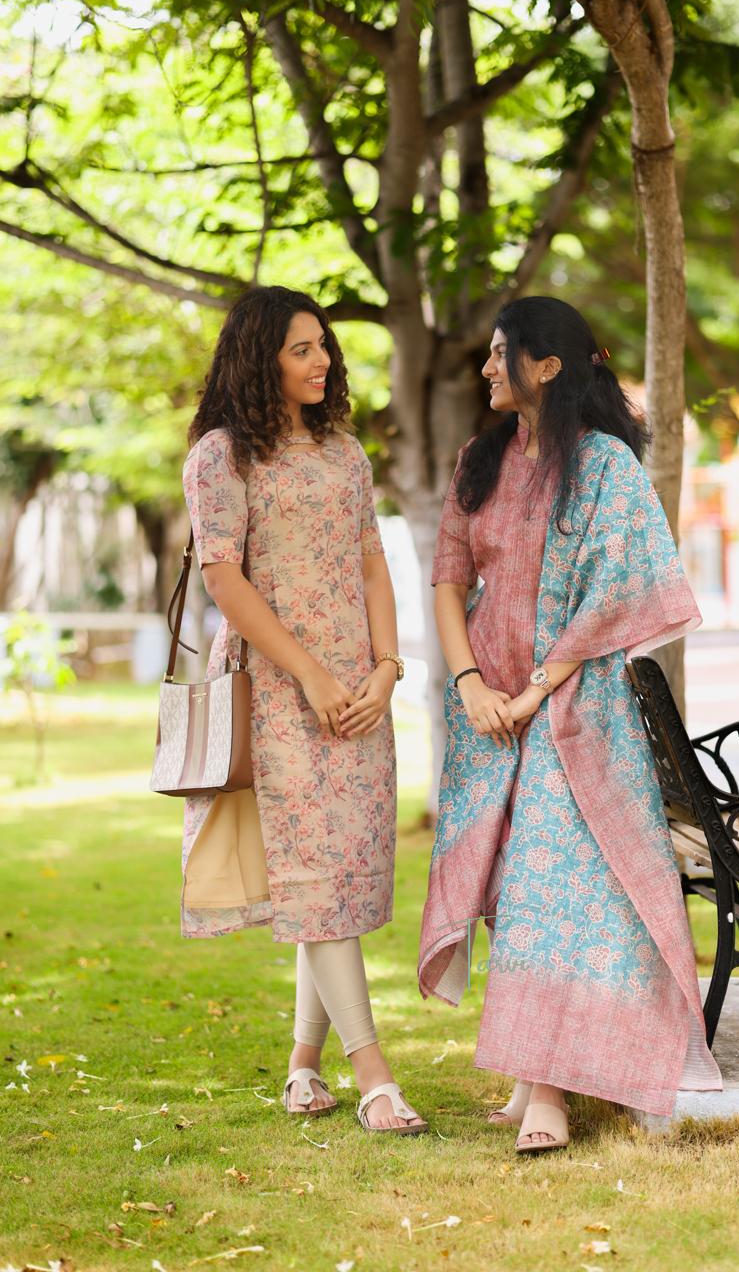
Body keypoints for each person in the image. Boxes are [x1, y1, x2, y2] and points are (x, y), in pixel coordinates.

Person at [419, 295, 722, 1153]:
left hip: (575, 716)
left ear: (549, 365)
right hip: (487, 713)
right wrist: (475, 683)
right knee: (514, 887)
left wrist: (532, 692)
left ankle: (547, 1092)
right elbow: (448, 581)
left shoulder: (605, 469)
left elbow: (614, 600)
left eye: (501, 353)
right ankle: (531, 1074)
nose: (485, 368)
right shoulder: (479, 462)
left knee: (552, 889)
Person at [180, 286, 425, 1134]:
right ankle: (375, 1078)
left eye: (323, 346)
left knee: (341, 878)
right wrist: (312, 674)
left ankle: (301, 1068)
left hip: (360, 692)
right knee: (315, 878)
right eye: (301, 349)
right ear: (260, 358)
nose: (322, 361)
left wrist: (387, 668)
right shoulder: (220, 457)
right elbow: (223, 581)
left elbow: (371, 565)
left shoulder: (343, 452)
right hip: (282, 693)